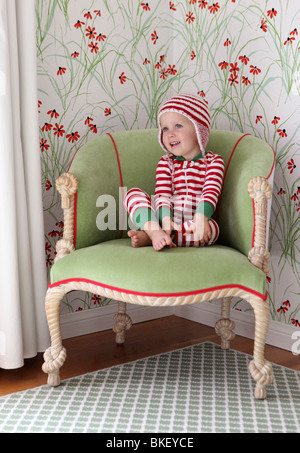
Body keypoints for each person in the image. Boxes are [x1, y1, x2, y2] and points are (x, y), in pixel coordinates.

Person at [124, 93, 225, 251]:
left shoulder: (214, 162)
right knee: (132, 194)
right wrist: (165, 219)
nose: (170, 133)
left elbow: (210, 192)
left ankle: (152, 238)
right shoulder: (166, 162)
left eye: (178, 126)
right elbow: (163, 193)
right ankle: (154, 232)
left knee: (211, 231)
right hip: (163, 219)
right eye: (165, 128)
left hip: (195, 221)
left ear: (199, 129)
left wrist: (200, 218)